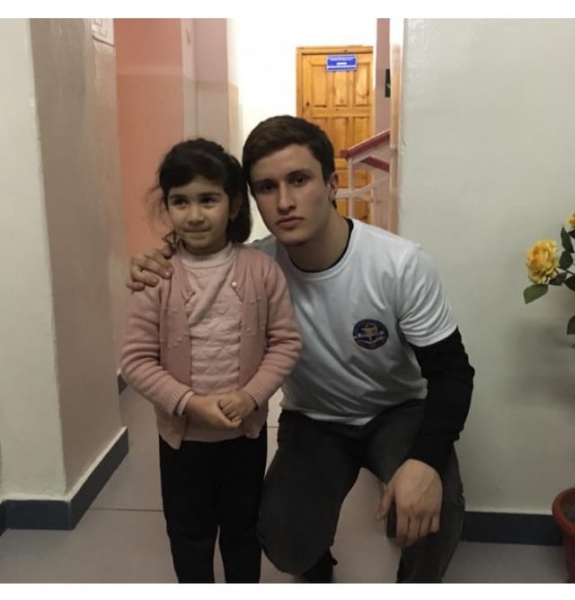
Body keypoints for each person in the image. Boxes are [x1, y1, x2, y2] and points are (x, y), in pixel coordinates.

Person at [127, 116, 475, 584]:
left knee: (437, 505)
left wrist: (425, 461)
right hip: (315, 420)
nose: (285, 202)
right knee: (281, 534)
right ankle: (317, 572)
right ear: (250, 200)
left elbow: (452, 373)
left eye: (299, 180)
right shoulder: (254, 267)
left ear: (331, 184)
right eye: (267, 187)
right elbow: (197, 261)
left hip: (397, 412)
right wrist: (154, 260)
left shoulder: (399, 265)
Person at [120, 138, 301, 584]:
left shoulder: (262, 271)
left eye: (208, 199)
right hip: (182, 440)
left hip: (244, 436)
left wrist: (251, 396)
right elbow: (136, 360)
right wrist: (190, 404)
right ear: (167, 206)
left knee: (242, 530)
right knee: (189, 534)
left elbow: (285, 344)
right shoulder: (157, 277)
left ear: (234, 204)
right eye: (180, 201)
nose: (195, 215)